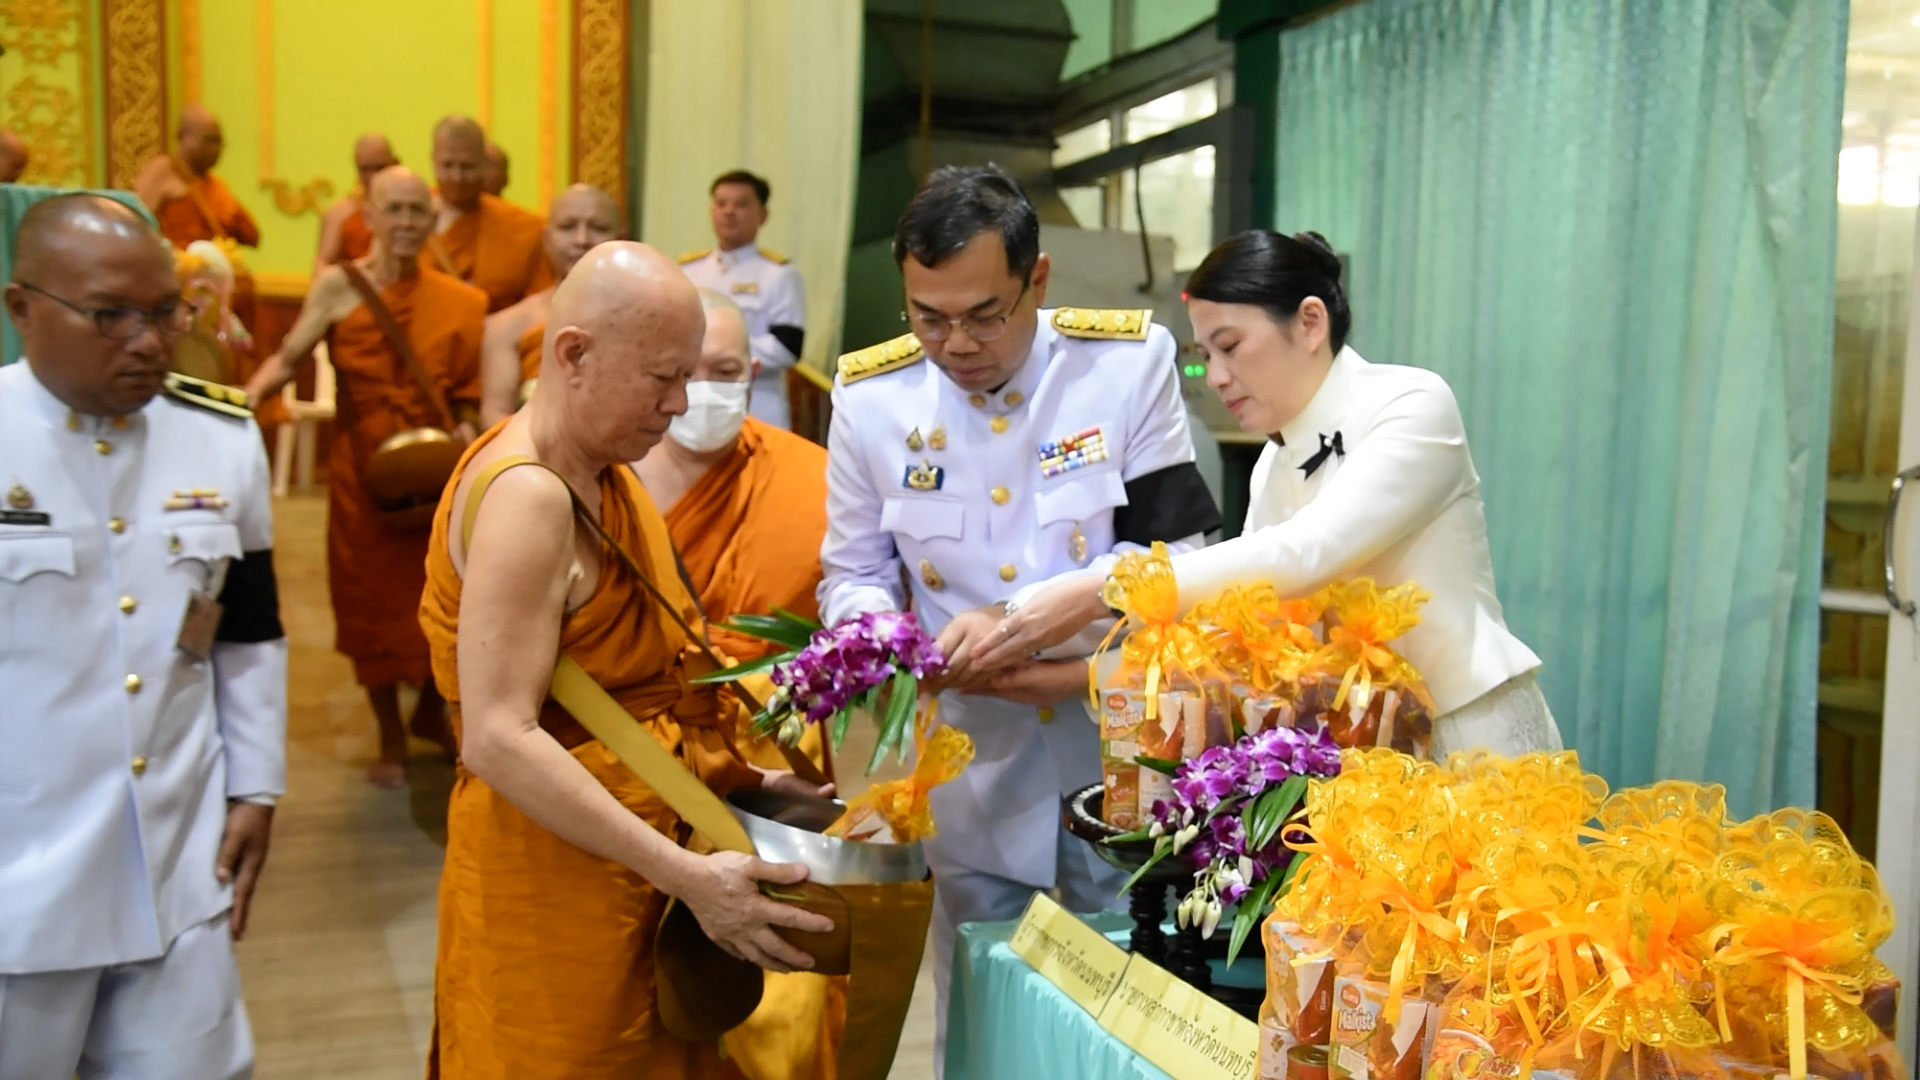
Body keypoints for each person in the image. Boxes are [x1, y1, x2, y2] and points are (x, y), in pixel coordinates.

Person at [817, 164, 1221, 1072]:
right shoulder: (872, 401)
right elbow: (852, 574)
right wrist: (885, 640)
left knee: (1126, 1020)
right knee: (985, 1018)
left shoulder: (1123, 369)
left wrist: (1041, 627)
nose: (954, 344)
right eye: (928, 317)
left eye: (984, 314)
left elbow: (1184, 562)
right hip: (968, 777)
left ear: (1037, 282)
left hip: (1117, 764)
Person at [421, 241, 833, 1080]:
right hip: (556, 874)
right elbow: (499, 736)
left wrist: (740, 783)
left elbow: (647, 686)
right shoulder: (529, 495)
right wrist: (684, 874)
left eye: (691, 377)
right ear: (573, 354)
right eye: (661, 378)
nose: (681, 405)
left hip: (636, 855)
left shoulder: (602, 473)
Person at [976, 229, 1562, 758]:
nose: (1217, 375)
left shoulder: (1410, 404)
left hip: (1468, 730)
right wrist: (1082, 675)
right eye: (1205, 355)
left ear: (1310, 323)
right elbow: (1239, 623)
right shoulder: (1273, 463)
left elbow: (1306, 553)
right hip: (1365, 747)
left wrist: (1109, 589)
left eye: (1230, 346)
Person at [0, 194, 285, 1079]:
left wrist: (256, 788)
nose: (149, 341)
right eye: (109, 315)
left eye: (165, 312)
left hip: (176, 858)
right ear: (21, 309)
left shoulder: (221, 436)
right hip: (19, 881)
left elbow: (248, 632)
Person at [245, 166, 486, 788]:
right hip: (360, 472)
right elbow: (289, 356)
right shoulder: (337, 287)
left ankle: (430, 714)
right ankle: (388, 738)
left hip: (432, 472)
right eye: (393, 210)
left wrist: (464, 423)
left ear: (431, 221)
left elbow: (465, 390)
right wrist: (240, 403)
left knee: (442, 596)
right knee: (365, 600)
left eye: (417, 211)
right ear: (368, 218)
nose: (406, 223)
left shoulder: (459, 299)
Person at [635, 289, 828, 662]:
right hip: (630, 700)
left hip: (770, 703)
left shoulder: (813, 475)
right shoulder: (615, 468)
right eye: (686, 373)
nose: (703, 390)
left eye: (725, 372)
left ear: (752, 375)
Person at [478, 183, 620, 427]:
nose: (582, 239)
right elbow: (495, 413)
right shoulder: (509, 325)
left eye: (597, 228)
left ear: (621, 238)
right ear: (546, 239)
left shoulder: (645, 319)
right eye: (567, 227)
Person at [678, 170, 805, 431]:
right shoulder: (687, 271)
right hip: (692, 401)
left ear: (763, 215)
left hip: (757, 405)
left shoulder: (779, 275)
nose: (729, 211)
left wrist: (721, 355)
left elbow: (787, 347)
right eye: (721, 203)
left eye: (741, 204)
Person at [420, 116, 548, 313]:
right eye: (447, 165)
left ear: (484, 164)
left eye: (467, 166)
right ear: (433, 160)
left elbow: (539, 306)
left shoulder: (524, 228)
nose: (457, 177)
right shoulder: (409, 215)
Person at [135, 106, 261, 253]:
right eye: (209, 140)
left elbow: (252, 236)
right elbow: (137, 225)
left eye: (219, 142)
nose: (216, 149)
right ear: (183, 136)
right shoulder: (163, 170)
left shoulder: (216, 186)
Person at [314, 132, 400, 272]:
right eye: (365, 170)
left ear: (395, 163)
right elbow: (322, 266)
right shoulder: (342, 213)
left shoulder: (410, 208)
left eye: (379, 168)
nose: (373, 177)